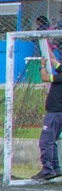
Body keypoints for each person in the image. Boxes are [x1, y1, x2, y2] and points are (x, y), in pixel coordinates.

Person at [36, 30, 61, 183]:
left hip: (56, 113)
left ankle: (47, 170)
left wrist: (41, 66)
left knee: (45, 142)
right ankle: (55, 169)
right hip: (57, 113)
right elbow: (53, 59)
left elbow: (45, 77)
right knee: (52, 141)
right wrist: (45, 44)